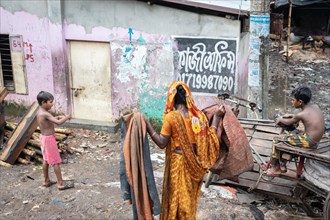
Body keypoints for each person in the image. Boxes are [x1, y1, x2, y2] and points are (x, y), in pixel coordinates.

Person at [145, 81, 225, 219]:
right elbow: (209, 140)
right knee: (188, 200)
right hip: (194, 163)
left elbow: (162, 143)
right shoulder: (198, 117)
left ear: (171, 99)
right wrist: (217, 118)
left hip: (179, 164)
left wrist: (147, 125)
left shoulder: (171, 118)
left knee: (177, 200)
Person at [265, 86, 325, 176]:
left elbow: (289, 122)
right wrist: (292, 115)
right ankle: (282, 164)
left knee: (277, 139)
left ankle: (275, 167)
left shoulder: (302, 114)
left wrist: (280, 119)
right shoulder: (314, 107)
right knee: (288, 135)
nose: (291, 102)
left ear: (300, 102)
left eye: (293, 100)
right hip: (315, 139)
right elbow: (302, 116)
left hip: (309, 142)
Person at [36, 91, 74, 190]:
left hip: (43, 138)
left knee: (46, 160)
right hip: (49, 140)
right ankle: (61, 184)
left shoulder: (40, 112)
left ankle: (46, 180)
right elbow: (58, 123)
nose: (52, 104)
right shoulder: (45, 113)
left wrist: (56, 117)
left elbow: (50, 120)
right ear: (44, 102)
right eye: (50, 102)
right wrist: (67, 117)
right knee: (56, 162)